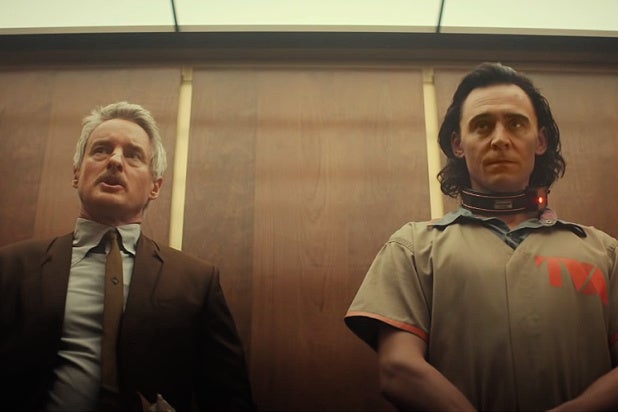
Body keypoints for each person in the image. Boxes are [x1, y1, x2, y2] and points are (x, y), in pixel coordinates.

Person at [345, 62, 618, 411]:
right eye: (482, 125)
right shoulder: (413, 249)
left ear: (540, 141)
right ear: (458, 144)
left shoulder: (605, 253)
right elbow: (399, 369)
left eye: (516, 123)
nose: (500, 139)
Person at [0, 101, 255, 412]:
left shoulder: (197, 282)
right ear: (77, 174)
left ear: (155, 187)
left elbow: (230, 398)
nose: (115, 161)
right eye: (101, 150)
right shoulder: (11, 267)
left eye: (133, 155)